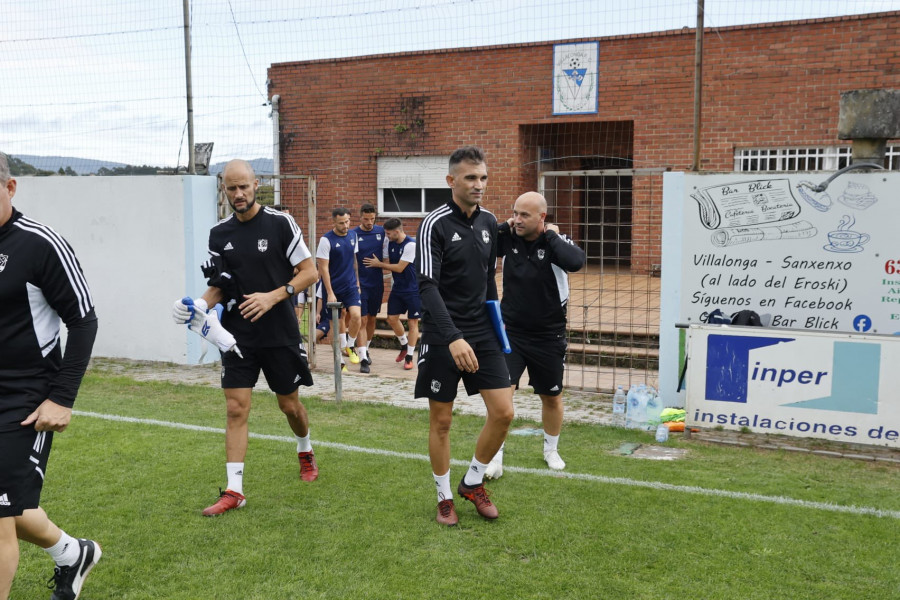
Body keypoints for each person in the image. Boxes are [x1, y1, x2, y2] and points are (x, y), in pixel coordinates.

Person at [172, 159, 319, 517]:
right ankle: (234, 491)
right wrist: (195, 305)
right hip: (237, 337)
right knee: (236, 408)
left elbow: (310, 271)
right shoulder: (218, 234)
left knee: (289, 406)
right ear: (224, 190)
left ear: (256, 185)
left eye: (244, 187)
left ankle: (305, 448)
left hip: (280, 331)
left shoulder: (280, 223)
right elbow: (220, 287)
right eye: (231, 188)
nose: (239, 194)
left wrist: (273, 295)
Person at [0, 152, 102, 600]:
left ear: (10, 187)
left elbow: (83, 321)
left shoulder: (40, 244)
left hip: (24, 400)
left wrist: (63, 398)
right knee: (9, 509)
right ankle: (71, 554)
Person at [415, 146, 514, 526]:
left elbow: (489, 279)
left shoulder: (489, 222)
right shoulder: (434, 224)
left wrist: (496, 324)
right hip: (443, 334)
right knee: (442, 421)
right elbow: (427, 287)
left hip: (482, 333)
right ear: (451, 180)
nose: (479, 184)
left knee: (504, 413)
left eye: (483, 177)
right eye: (471, 178)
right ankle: (443, 498)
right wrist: (453, 336)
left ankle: (472, 481)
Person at [486, 192, 586, 479]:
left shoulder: (554, 242)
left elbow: (576, 261)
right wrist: (506, 225)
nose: (517, 219)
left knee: (551, 396)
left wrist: (551, 235)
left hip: (548, 335)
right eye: (514, 213)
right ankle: (495, 456)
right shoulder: (509, 236)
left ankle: (550, 450)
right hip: (511, 333)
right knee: (502, 397)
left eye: (524, 215)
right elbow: (481, 239)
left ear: (542, 217)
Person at [316, 208, 370, 373]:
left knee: (356, 316)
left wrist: (358, 282)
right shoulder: (326, 240)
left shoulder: (353, 236)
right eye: (341, 223)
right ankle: (339, 361)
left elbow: (354, 261)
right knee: (336, 325)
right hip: (333, 288)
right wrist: (330, 292)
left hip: (351, 286)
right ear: (334, 222)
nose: (346, 225)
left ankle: (350, 345)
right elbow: (323, 269)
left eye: (347, 221)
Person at [363, 217, 419, 371]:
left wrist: (378, 264)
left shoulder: (411, 245)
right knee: (391, 319)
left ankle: (409, 357)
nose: (386, 236)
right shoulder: (391, 242)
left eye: (388, 233)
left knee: (413, 323)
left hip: (413, 290)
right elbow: (385, 256)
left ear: (397, 231)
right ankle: (404, 345)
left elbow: (400, 268)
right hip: (398, 289)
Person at [353, 204, 386, 369]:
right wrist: (355, 281)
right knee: (363, 319)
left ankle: (365, 348)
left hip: (377, 283)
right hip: (361, 284)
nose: (369, 222)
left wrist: (380, 264)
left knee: (372, 318)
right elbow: (351, 260)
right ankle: (363, 359)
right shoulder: (353, 234)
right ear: (360, 217)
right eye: (366, 219)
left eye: (372, 219)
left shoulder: (381, 232)